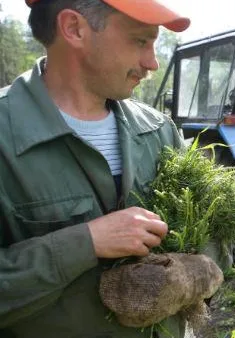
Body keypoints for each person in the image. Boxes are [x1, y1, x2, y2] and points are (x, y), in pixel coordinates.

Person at [0, 0, 200, 336]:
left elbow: (219, 236)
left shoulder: (160, 130)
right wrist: (86, 243)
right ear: (74, 28)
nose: (152, 62)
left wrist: (189, 274)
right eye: (140, 41)